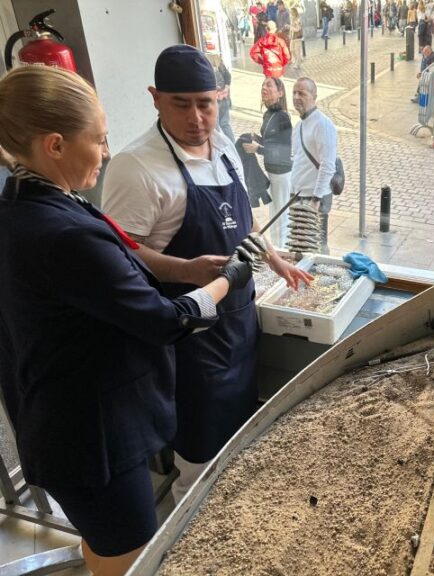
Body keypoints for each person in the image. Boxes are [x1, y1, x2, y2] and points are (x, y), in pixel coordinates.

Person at [0, 65, 253, 576]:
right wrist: (226, 281)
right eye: (98, 140)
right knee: (133, 557)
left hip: (51, 413)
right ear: (54, 145)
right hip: (92, 440)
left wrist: (183, 267)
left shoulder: (28, 203)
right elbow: (167, 321)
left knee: (106, 541)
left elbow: (115, 256)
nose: (107, 152)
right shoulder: (63, 234)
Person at [102, 45, 313, 504]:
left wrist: (276, 260)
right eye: (182, 104)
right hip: (189, 338)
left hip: (238, 321)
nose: (197, 117)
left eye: (206, 102)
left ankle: (229, 509)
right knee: (198, 451)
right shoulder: (136, 166)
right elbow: (121, 251)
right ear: (155, 98)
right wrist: (186, 269)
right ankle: (187, 528)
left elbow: (247, 220)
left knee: (238, 435)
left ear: (220, 97)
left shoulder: (225, 149)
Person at [243, 77, 293, 249]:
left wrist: (258, 149)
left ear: (280, 93)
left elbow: (283, 151)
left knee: (281, 214)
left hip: (282, 173)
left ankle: (282, 250)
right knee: (274, 214)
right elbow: (270, 141)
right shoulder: (268, 114)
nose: (264, 88)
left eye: (269, 85)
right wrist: (256, 139)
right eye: (263, 84)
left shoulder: (283, 118)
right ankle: (277, 249)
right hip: (272, 171)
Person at [291, 77, 337, 254]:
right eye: (294, 92)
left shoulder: (323, 124)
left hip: (313, 199)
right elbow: (297, 162)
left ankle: (318, 281)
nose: (296, 97)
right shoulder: (298, 126)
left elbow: (328, 165)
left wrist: (316, 200)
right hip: (299, 197)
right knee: (300, 248)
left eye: (301, 93)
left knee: (316, 248)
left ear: (314, 96)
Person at [208, 53, 236, 143]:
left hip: (216, 102)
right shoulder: (220, 66)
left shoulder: (209, 70)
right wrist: (226, 89)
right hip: (225, 100)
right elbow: (228, 77)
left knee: (216, 127)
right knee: (225, 124)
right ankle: (233, 146)